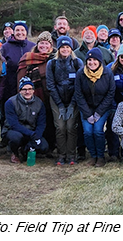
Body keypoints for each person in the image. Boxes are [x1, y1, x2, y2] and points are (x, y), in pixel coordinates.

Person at [74, 48, 115, 167]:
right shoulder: (81, 74)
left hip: (102, 108)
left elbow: (110, 93)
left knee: (97, 131)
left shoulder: (107, 73)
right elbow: (79, 94)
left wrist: (98, 113)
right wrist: (87, 113)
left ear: (100, 61)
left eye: (95, 60)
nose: (92, 63)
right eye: (89, 60)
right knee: (87, 131)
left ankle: (101, 156)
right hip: (86, 108)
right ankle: (93, 155)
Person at [17, 31, 57, 154]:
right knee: (36, 122)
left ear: (51, 45)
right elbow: (20, 78)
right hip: (34, 96)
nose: (44, 46)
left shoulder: (55, 58)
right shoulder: (28, 58)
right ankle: (33, 146)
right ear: (37, 44)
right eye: (41, 43)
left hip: (51, 96)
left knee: (51, 122)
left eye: (46, 43)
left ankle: (50, 147)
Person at [47, 37, 84, 165]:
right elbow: (50, 85)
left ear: (71, 49)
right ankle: (61, 155)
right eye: (62, 47)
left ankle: (71, 155)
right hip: (57, 100)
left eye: (67, 47)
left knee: (71, 127)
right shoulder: (51, 64)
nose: (65, 49)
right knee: (60, 127)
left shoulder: (77, 63)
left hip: (73, 99)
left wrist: (72, 104)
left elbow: (79, 85)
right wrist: (60, 105)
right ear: (59, 48)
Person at [0, 21, 36, 129]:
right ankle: (6, 136)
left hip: (28, 87)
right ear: (13, 32)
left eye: (22, 30)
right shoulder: (5, 47)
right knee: (7, 112)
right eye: (17, 30)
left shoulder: (32, 46)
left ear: (26, 32)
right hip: (9, 86)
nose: (20, 33)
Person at [4, 77, 48, 164]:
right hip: (14, 130)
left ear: (33, 90)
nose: (27, 92)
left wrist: (37, 136)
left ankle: (26, 150)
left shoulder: (39, 103)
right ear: (20, 90)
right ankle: (14, 152)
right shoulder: (10, 102)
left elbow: (41, 123)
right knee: (16, 138)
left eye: (30, 89)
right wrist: (32, 134)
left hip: (32, 132)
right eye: (24, 89)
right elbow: (14, 124)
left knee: (44, 147)